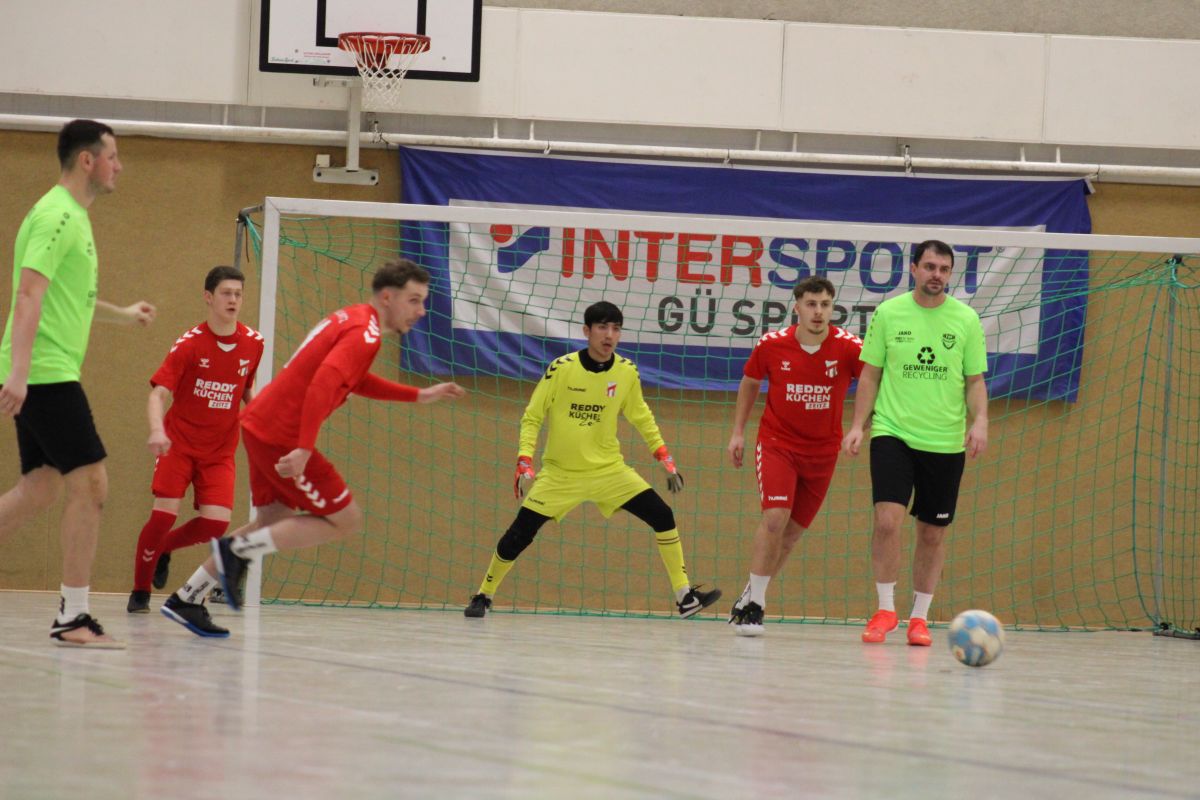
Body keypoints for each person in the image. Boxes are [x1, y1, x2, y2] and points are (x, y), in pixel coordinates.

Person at [160, 258, 465, 637]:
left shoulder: (356, 320)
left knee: (272, 520)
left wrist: (418, 395)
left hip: (260, 423)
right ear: (388, 297)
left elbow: (354, 379)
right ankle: (237, 551)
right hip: (282, 434)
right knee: (345, 518)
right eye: (414, 300)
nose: (421, 311)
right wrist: (304, 449)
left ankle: (188, 598)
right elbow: (325, 382)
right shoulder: (365, 334)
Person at [0, 119, 156, 648]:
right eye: (112, 156)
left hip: (44, 370)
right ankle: (74, 615)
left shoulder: (75, 217)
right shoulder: (56, 215)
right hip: (44, 372)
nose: (119, 167)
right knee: (91, 485)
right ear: (87, 160)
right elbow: (29, 294)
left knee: (40, 488)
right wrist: (19, 375)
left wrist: (123, 314)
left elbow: (74, 301)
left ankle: (73, 615)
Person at [463, 301, 721, 619]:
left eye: (616, 328)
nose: (609, 335)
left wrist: (662, 453)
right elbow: (533, 416)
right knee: (520, 534)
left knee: (663, 515)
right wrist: (524, 458)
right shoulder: (561, 369)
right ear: (587, 331)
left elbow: (641, 415)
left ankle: (685, 597)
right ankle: (484, 594)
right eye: (602, 327)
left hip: (609, 471)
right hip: (560, 474)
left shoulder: (626, 372)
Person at [841, 239, 988, 646]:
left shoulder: (966, 319)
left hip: (944, 441)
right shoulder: (889, 314)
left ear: (950, 274)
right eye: (929, 266)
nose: (936, 274)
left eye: (943, 268)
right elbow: (870, 375)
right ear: (913, 269)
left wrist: (980, 421)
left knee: (932, 533)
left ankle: (919, 618)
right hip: (893, 432)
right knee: (887, 520)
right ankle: (885, 609)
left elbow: (974, 380)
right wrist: (858, 425)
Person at [726, 277, 863, 636]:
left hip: (823, 453)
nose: (818, 312)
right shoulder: (772, 344)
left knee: (790, 536)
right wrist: (738, 432)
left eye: (825, 305)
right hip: (778, 444)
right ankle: (756, 606)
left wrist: (859, 426)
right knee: (775, 519)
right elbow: (750, 382)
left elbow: (874, 383)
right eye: (811, 304)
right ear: (797, 307)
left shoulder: (849, 348)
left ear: (832, 308)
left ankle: (751, 593)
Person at [126, 266, 264, 613]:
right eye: (226, 293)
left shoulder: (254, 343)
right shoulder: (190, 344)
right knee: (163, 517)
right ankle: (140, 591)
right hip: (179, 444)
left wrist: (263, 425)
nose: (233, 300)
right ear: (208, 297)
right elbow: (158, 394)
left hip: (220, 450)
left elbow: (246, 389)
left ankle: (164, 548)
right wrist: (156, 430)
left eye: (238, 294)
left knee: (215, 523)